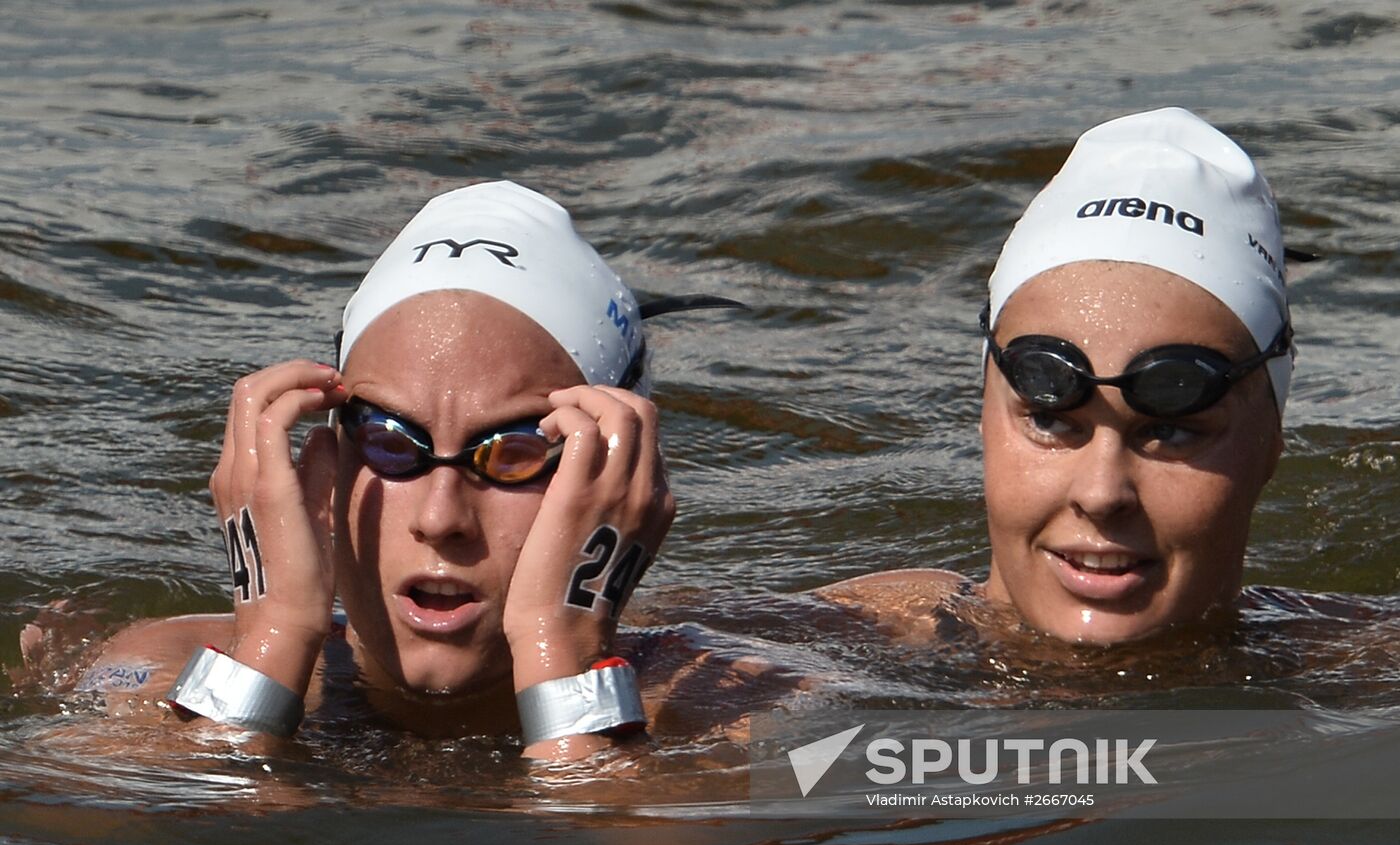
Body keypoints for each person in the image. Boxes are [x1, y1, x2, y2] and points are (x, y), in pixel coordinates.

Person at [71, 180, 732, 760]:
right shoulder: (154, 665)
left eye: (512, 453)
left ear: (618, 481)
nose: (440, 518)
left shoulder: (736, 701)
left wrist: (563, 653)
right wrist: (272, 636)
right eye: (389, 442)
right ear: (327, 456)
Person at [820, 107, 1295, 646]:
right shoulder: (802, 655)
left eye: (1171, 429)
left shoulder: (1361, 675)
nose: (1101, 494)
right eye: (1048, 420)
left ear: (1271, 443)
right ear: (984, 418)